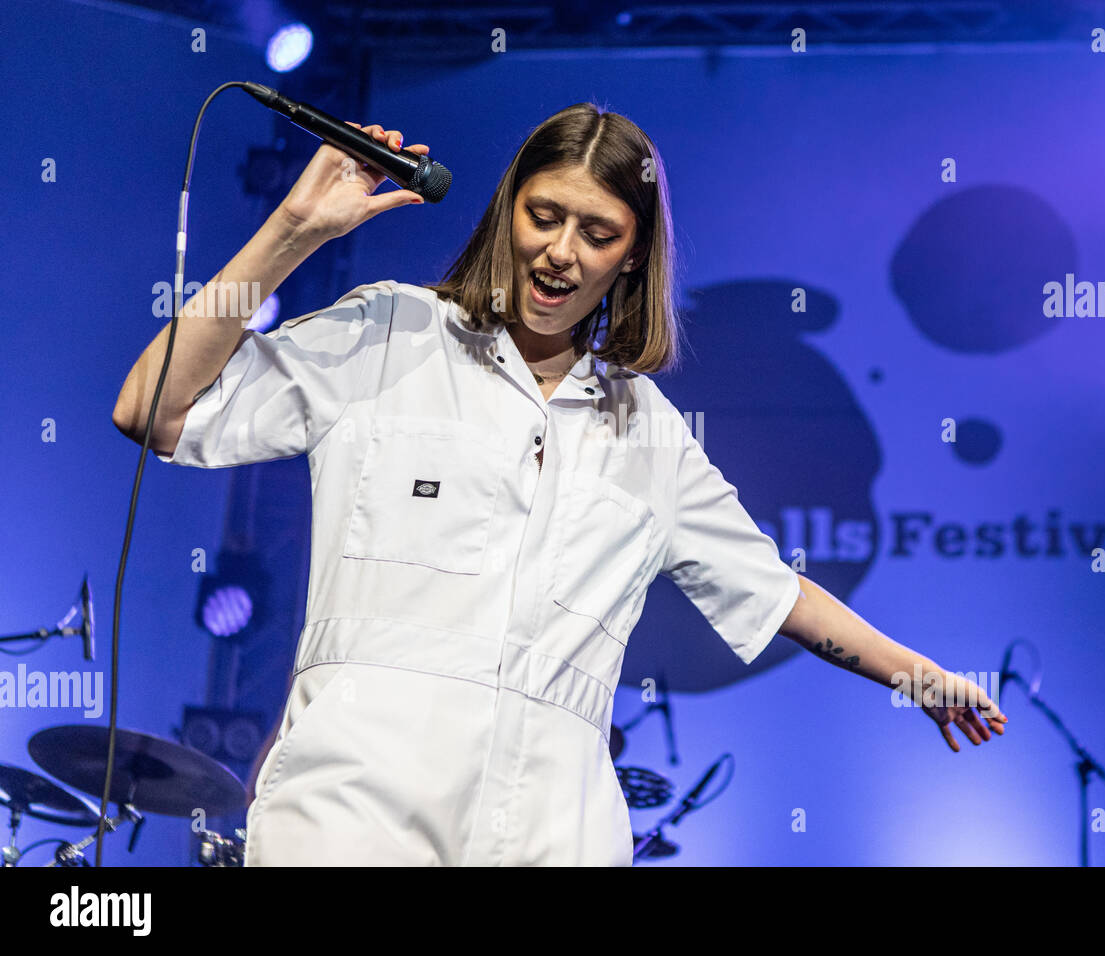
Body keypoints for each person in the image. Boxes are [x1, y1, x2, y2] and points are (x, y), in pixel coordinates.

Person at [113, 104, 1007, 866]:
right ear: (508, 213)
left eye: (598, 233)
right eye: (544, 216)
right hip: (348, 822)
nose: (561, 252)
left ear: (632, 256)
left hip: (552, 834)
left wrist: (919, 678)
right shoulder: (391, 332)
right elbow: (152, 409)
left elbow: (777, 594)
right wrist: (293, 232)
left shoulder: (647, 429)